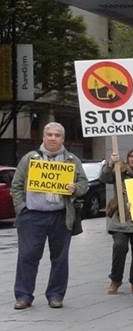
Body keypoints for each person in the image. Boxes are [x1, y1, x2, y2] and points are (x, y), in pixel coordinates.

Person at [12, 122, 88, 310]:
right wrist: (22, 208)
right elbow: (17, 185)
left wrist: (75, 188)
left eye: (57, 135)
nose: (53, 138)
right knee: (27, 256)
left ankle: (55, 295)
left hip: (60, 216)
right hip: (32, 216)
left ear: (63, 139)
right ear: (43, 137)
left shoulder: (71, 160)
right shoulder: (30, 158)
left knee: (60, 259)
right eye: (49, 134)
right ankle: (23, 296)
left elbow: (84, 184)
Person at [102, 147, 133, 295]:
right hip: (121, 218)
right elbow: (104, 178)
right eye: (131, 156)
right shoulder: (119, 170)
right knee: (119, 246)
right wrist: (110, 164)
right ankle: (115, 280)